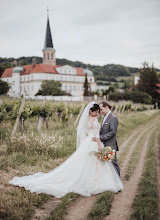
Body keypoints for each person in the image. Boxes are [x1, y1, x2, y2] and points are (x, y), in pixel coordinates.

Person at [9, 102, 123, 198]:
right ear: (90, 111)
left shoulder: (93, 119)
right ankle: (93, 182)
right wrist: (98, 143)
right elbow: (92, 133)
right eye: (96, 112)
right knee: (92, 163)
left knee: (93, 163)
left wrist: (98, 141)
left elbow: (96, 132)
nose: (97, 114)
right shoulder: (92, 121)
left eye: (99, 112)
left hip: (92, 142)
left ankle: (97, 181)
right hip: (93, 142)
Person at [98, 101, 120, 176]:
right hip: (104, 144)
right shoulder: (104, 117)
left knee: (114, 164)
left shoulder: (113, 118)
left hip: (111, 145)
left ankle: (118, 183)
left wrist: (101, 138)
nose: (100, 112)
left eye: (101, 109)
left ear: (106, 107)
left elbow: (113, 132)